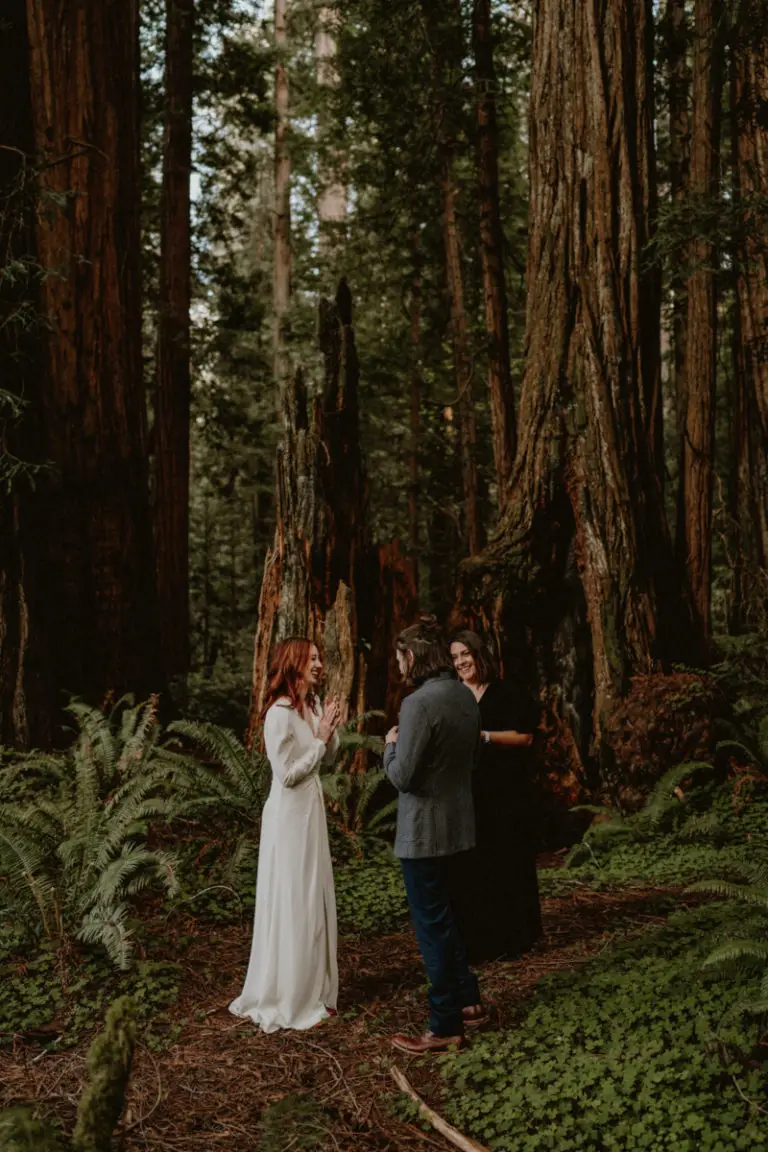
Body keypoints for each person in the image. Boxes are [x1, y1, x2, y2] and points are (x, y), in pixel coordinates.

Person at [383, 619, 487, 1054]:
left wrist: (388, 745)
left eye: (401, 657)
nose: (399, 665)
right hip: (459, 826)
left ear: (414, 657)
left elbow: (402, 777)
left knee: (431, 927)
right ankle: (469, 1004)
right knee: (448, 919)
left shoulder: (417, 704)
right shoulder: (463, 694)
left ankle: (445, 1023)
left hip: (423, 833)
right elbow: (473, 756)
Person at [229, 638, 341, 1032]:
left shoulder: (308, 706)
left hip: (311, 814)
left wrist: (327, 727)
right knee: (294, 896)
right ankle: (290, 994)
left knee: (314, 893)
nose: (319, 663)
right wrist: (321, 738)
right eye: (311, 658)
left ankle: (316, 989)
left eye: (318, 658)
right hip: (289, 817)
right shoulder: (278, 714)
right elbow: (288, 775)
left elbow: (326, 758)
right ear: (293, 664)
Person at [448, 630, 543, 962]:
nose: (460, 662)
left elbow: (526, 737)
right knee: (474, 865)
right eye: (455, 657)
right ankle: (481, 941)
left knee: (509, 858)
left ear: (478, 654)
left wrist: (485, 736)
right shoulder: (452, 696)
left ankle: (519, 937)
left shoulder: (506, 692)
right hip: (465, 792)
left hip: (505, 790)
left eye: (465, 654)